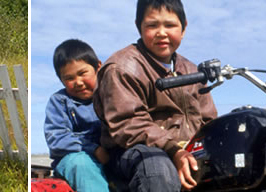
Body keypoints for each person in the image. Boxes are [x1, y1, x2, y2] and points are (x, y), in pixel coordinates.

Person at [93, 0, 217, 191]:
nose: (161, 32)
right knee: (156, 166)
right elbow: (128, 124)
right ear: (139, 27)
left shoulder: (192, 70)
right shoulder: (121, 67)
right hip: (131, 151)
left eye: (170, 25)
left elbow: (209, 120)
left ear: (183, 28)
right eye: (152, 25)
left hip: (184, 150)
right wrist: (174, 149)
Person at [44, 39, 109, 191]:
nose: (78, 82)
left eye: (82, 73)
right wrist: (94, 149)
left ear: (98, 67)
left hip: (109, 157)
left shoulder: (111, 96)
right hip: (74, 160)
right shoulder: (59, 102)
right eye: (69, 78)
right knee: (82, 164)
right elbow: (57, 138)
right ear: (61, 80)